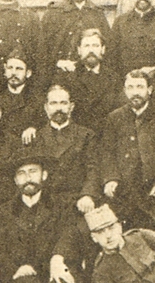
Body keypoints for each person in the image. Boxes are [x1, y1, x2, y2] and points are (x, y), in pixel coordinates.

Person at [0, 154, 97, 283]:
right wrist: (14, 269)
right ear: (15, 180)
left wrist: (58, 258)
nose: (28, 178)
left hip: (53, 269)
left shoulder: (61, 206)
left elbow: (70, 235)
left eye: (33, 172)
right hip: (22, 274)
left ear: (44, 175)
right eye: (21, 173)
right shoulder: (3, 212)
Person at [95, 70, 155, 234]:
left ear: (150, 90)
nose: (135, 92)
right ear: (125, 91)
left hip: (154, 192)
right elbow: (107, 153)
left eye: (140, 87)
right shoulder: (115, 117)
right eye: (130, 87)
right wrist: (110, 179)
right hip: (124, 191)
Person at [26, 84, 100, 215]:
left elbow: (93, 168)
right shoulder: (36, 137)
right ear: (46, 107)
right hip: (44, 204)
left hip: (77, 202)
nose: (58, 108)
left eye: (63, 103)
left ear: (71, 107)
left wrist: (88, 195)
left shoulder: (86, 135)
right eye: (53, 103)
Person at [40, 0, 112, 88]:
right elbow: (42, 48)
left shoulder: (97, 14)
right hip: (59, 74)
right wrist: (57, 62)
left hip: (89, 75)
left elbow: (108, 47)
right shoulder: (53, 13)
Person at [47, 28, 123, 132]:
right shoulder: (67, 76)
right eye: (86, 46)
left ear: (103, 49)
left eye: (95, 46)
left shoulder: (114, 79)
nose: (91, 50)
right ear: (79, 50)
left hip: (105, 137)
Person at [0, 48, 41, 138]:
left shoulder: (36, 99)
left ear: (28, 73)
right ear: (5, 70)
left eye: (19, 69)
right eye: (10, 68)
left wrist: (33, 128)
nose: (13, 73)